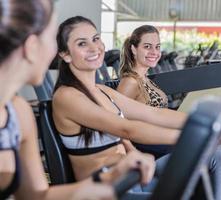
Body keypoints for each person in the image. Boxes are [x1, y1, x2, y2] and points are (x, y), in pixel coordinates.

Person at [52, 16, 221, 199]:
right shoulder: (67, 96)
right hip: (113, 190)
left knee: (213, 153)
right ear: (65, 54)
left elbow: (154, 113)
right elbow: (128, 129)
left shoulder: (101, 90)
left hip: (134, 176)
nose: (94, 47)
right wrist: (196, 138)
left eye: (96, 39)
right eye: (82, 44)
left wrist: (212, 124)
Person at [0, 1, 155, 200]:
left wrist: (111, 177)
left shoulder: (18, 113)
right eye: (51, 40)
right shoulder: (63, 98)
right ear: (31, 47)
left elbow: (36, 196)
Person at [117, 25, 173, 158]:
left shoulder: (146, 80)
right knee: (211, 150)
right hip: (148, 148)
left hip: (162, 141)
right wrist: (132, 152)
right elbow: (115, 123)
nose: (154, 52)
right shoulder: (130, 82)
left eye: (157, 47)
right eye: (147, 46)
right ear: (134, 49)